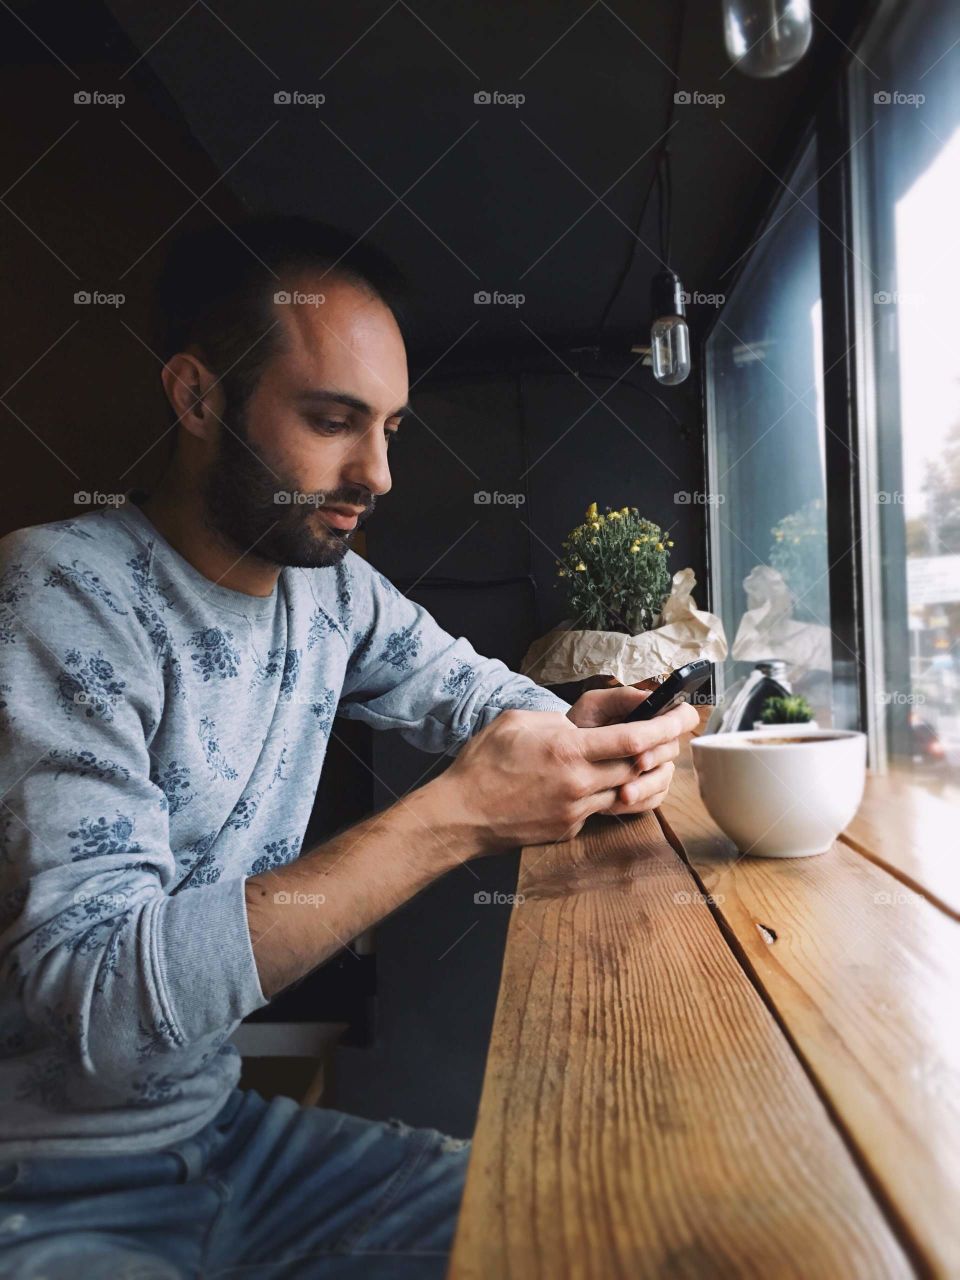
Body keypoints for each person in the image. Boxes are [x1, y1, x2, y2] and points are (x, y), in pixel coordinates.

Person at [0, 215, 697, 1278]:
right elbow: (104, 1009)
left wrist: (586, 723)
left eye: (392, 428)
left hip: (224, 1139)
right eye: (332, 420)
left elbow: (473, 693)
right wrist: (456, 816)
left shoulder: (331, 592)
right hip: (41, 1187)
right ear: (196, 397)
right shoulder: (59, 597)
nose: (375, 473)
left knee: (571, 1235)